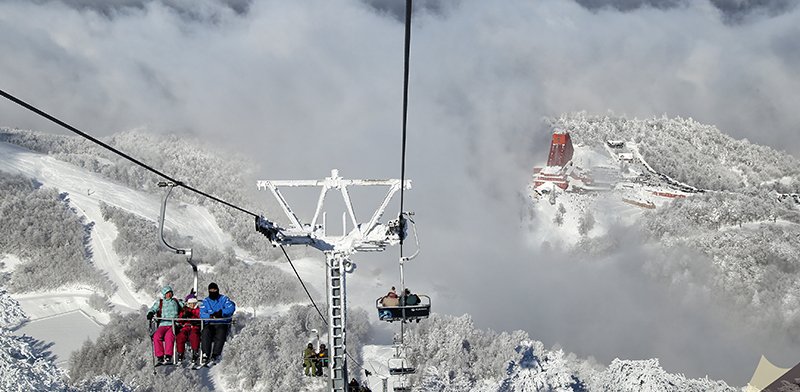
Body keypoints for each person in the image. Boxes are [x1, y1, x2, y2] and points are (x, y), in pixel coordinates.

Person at [199, 282, 236, 365]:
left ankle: (216, 354)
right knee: (205, 332)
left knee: (221, 332)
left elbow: (231, 307)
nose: (213, 291)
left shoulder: (223, 299)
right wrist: (210, 316)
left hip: (222, 323)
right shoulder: (206, 301)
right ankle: (205, 354)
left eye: (214, 290)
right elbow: (202, 314)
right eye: (211, 290)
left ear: (217, 290)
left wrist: (222, 313)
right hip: (210, 323)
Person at [146, 285, 183, 365]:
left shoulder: (176, 301)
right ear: (164, 295)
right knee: (157, 336)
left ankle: (168, 356)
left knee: (169, 336)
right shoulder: (160, 302)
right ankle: (160, 356)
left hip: (173, 323)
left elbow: (185, 307)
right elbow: (153, 309)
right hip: (163, 323)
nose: (169, 295)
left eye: (170, 293)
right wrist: (150, 313)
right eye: (167, 293)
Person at [175, 294, 201, 364]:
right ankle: (180, 353)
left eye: (194, 303)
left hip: (194, 327)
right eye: (190, 303)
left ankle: (195, 352)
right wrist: (183, 316)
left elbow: (200, 317)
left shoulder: (198, 310)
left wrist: (196, 321)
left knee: (194, 335)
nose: (192, 305)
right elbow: (179, 320)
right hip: (186, 326)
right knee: (180, 336)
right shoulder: (185, 310)